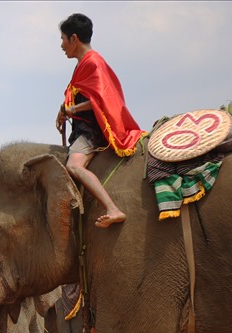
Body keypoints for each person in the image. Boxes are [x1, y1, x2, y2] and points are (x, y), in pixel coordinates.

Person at [55, 13, 144, 228]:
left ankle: (112, 208)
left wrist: (71, 109)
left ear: (74, 39)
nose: (61, 45)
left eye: (62, 39)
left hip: (92, 131)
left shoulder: (94, 63)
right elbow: (85, 95)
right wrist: (63, 111)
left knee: (74, 166)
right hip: (82, 128)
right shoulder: (83, 64)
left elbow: (101, 99)